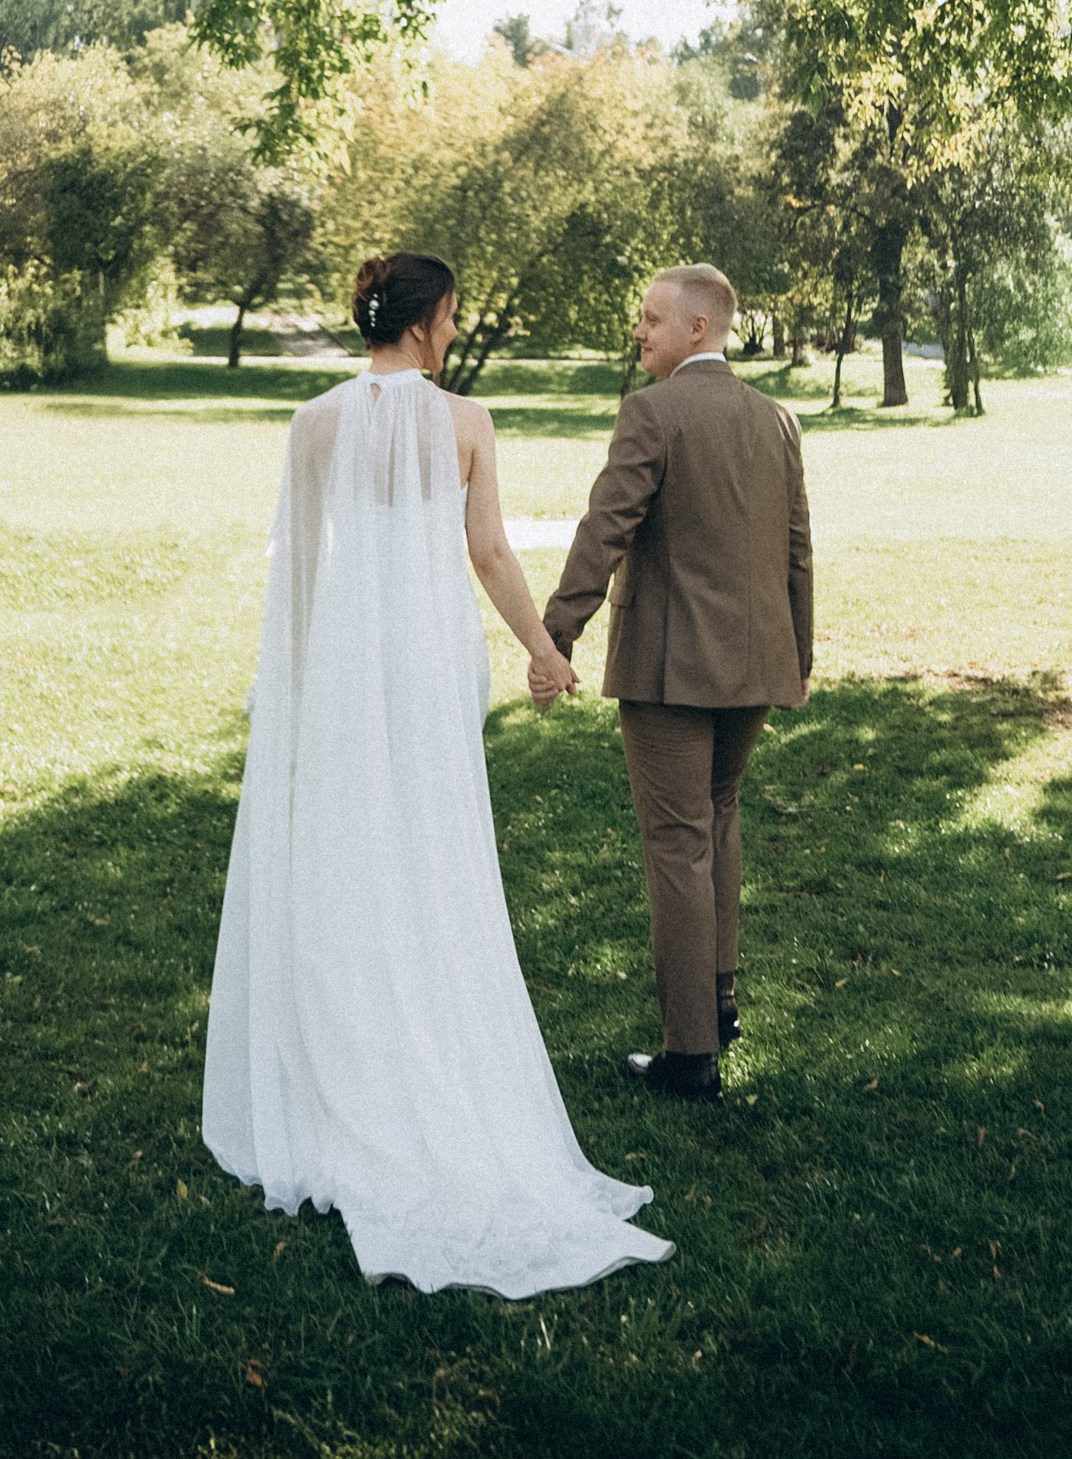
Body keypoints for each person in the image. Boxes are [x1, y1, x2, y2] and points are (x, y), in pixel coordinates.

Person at [202, 251, 672, 1296]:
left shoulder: (313, 422)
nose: (454, 333)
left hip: (341, 666)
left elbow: (302, 572)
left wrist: (297, 689)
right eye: (452, 317)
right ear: (424, 324)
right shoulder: (465, 423)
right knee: (431, 850)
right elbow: (491, 555)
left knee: (346, 850)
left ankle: (346, 1057)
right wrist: (543, 654)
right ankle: (421, 1042)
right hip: (423, 665)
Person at [538, 264, 814, 1103]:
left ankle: (690, 1053)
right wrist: (795, 657)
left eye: (652, 319)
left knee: (677, 841)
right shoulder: (777, 418)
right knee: (716, 819)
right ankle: (719, 996)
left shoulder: (651, 412)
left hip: (671, 671)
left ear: (700, 328)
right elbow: (798, 550)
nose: (639, 331)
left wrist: (555, 632)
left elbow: (605, 529)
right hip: (758, 666)